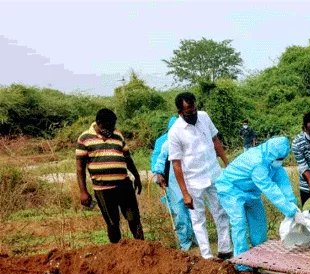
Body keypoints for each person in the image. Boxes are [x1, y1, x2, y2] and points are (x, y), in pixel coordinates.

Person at [216, 136, 302, 268]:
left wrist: (291, 202)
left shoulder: (273, 162)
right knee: (239, 223)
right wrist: (288, 209)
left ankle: (260, 256)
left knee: (259, 221)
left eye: (282, 159)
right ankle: (242, 262)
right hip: (231, 188)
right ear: (272, 155)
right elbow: (270, 189)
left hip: (250, 191)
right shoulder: (257, 163)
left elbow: (282, 182)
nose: (280, 162)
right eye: (278, 159)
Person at [167, 92, 233, 260]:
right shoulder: (175, 132)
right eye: (188, 111)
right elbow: (176, 164)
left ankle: (225, 249)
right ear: (181, 112)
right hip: (193, 180)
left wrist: (227, 164)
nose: (193, 113)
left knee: (221, 211)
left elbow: (215, 141)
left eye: (194, 108)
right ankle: (206, 255)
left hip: (214, 173)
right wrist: (184, 193)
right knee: (198, 219)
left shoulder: (204, 117)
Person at [75, 108, 144, 243]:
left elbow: (128, 158)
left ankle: (143, 249)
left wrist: (137, 176)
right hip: (103, 190)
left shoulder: (118, 135)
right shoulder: (84, 138)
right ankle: (116, 253)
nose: (112, 128)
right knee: (112, 223)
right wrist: (83, 192)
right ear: (99, 123)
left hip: (124, 186)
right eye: (109, 125)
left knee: (134, 219)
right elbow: (79, 168)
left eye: (113, 125)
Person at [150, 115, 196, 251]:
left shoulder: (190, 137)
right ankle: (185, 243)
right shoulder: (165, 142)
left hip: (191, 179)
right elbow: (158, 159)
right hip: (174, 183)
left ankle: (197, 238)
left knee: (194, 211)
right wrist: (159, 174)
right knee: (180, 213)